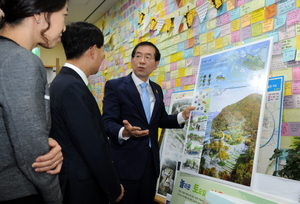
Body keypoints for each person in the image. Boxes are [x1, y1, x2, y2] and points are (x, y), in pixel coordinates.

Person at [102, 41, 195, 204]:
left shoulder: (157, 89)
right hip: (125, 163)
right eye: (138, 56)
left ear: (156, 64)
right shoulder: (115, 86)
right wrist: (124, 132)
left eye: (147, 57)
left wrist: (182, 116)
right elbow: (107, 122)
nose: (142, 61)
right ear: (132, 60)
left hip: (151, 165)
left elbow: (161, 119)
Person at [0, 0, 68, 203]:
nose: (64, 26)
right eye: (64, 14)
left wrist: (42, 139)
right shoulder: (19, 60)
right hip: (18, 192)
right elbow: (34, 156)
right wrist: (55, 197)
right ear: (40, 14)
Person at [49, 21, 124, 204]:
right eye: (102, 50)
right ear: (92, 51)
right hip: (80, 188)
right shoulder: (72, 88)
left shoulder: (62, 83)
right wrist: (113, 189)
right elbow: (92, 146)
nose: (103, 56)